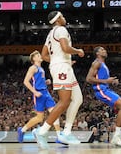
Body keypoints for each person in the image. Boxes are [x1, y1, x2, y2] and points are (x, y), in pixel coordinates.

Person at [34, 11, 84, 149]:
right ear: (57, 20)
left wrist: (58, 61)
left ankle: (66, 132)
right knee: (65, 101)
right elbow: (65, 48)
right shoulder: (61, 29)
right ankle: (42, 131)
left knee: (78, 98)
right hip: (62, 68)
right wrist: (78, 51)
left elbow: (44, 55)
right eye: (62, 16)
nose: (64, 18)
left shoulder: (50, 33)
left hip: (63, 66)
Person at [85, 46, 121, 146]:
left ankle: (118, 135)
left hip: (106, 89)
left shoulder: (103, 64)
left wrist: (111, 81)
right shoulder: (97, 63)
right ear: (97, 53)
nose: (105, 51)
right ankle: (116, 137)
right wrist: (106, 81)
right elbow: (88, 79)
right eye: (102, 50)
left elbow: (103, 79)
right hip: (101, 90)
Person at [17, 51, 61, 143]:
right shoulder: (33, 68)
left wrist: (46, 82)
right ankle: (22, 130)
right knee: (39, 118)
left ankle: (59, 136)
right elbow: (26, 81)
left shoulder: (41, 68)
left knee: (54, 113)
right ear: (34, 59)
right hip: (39, 94)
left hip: (46, 93)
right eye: (38, 55)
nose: (40, 56)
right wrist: (35, 92)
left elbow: (38, 82)